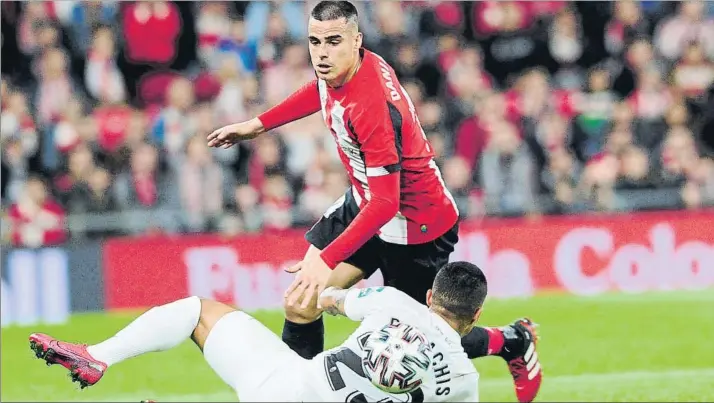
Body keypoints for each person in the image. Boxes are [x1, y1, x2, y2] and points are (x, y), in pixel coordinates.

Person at [206, 2, 540, 401]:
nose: (321, 53)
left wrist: (327, 259)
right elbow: (320, 90)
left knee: (417, 339)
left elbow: (387, 202)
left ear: (356, 40)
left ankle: (511, 341)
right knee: (301, 302)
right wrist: (258, 125)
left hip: (415, 225)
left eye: (332, 42)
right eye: (315, 42)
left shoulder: (373, 107)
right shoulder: (344, 65)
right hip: (367, 203)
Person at [29, 261, 530, 402]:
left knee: (198, 311)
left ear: (429, 295)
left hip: (285, 387)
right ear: (477, 310)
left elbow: (331, 298)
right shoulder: (464, 381)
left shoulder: (393, 303)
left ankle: (98, 355)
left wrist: (325, 293)